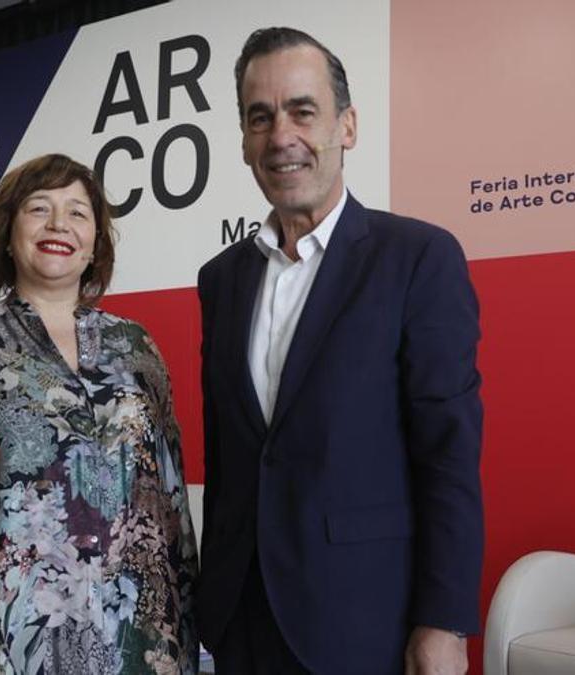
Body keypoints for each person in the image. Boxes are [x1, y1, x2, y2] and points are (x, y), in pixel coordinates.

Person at [196, 28, 484, 675]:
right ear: (243, 140)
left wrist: (443, 622)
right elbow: (230, 452)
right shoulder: (221, 279)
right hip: (240, 618)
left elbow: (449, 457)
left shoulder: (417, 258)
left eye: (303, 110)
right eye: (259, 117)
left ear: (347, 126)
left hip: (361, 620)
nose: (281, 136)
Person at [0, 154, 199, 675]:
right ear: (9, 233)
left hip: (138, 635)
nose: (59, 224)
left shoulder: (135, 346)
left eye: (78, 213)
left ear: (95, 243)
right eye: (39, 208)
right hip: (10, 628)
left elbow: (169, 500)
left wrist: (187, 625)